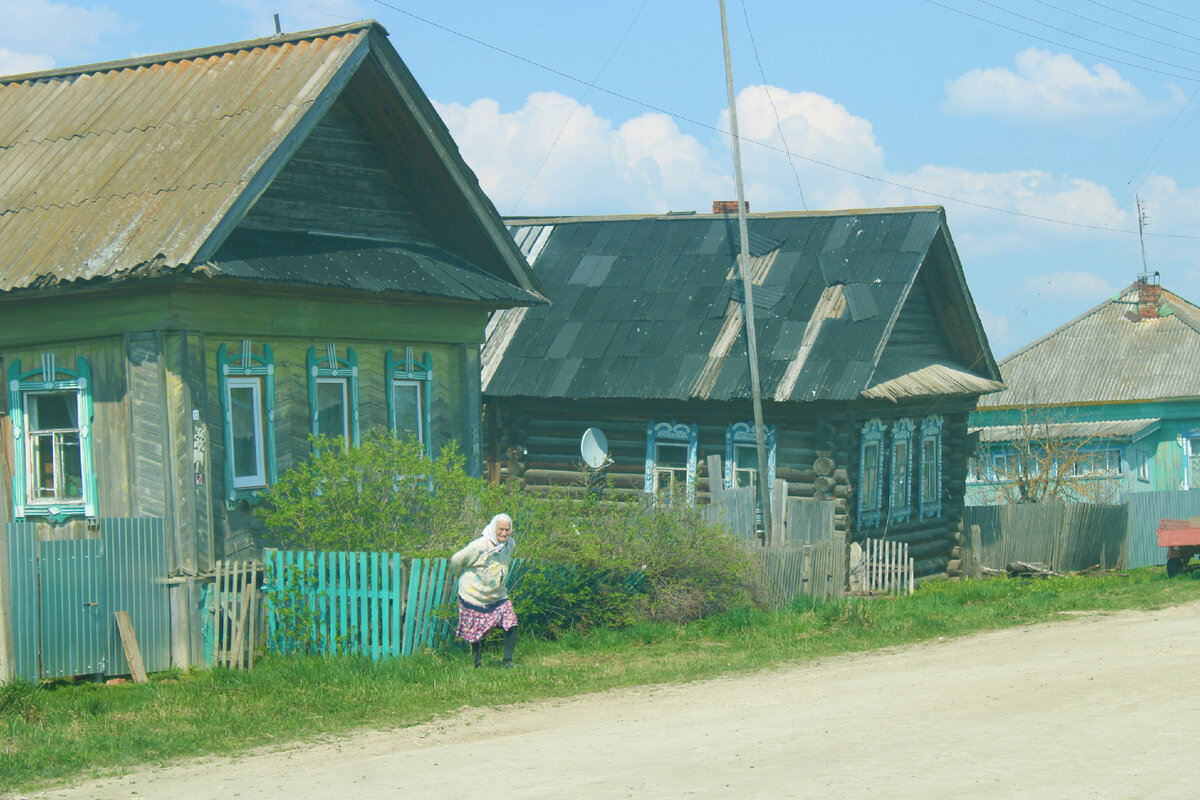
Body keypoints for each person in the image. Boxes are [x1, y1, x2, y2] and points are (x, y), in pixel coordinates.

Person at [450, 513, 518, 668]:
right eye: (501, 529)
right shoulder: (480, 545)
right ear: (494, 528)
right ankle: (477, 663)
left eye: (507, 530)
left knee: (511, 621)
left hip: (497, 594)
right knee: (478, 631)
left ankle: (508, 661)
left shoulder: (510, 544)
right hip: (474, 595)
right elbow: (456, 560)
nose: (504, 533)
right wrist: (459, 576)